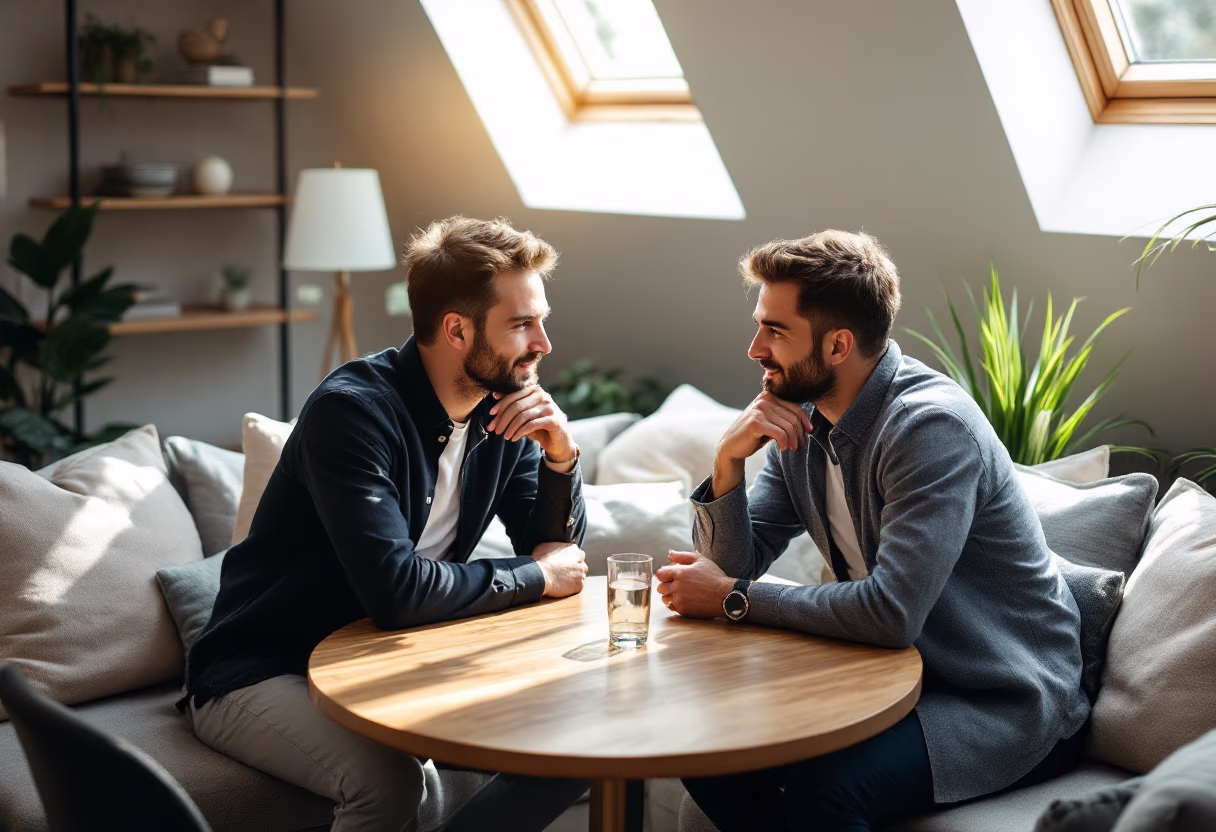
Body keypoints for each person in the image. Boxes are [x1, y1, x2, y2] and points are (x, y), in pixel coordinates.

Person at [656, 230, 1089, 832]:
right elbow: (739, 559)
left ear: (838, 345)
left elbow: (889, 614)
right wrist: (727, 463)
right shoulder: (800, 422)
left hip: (996, 696)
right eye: (760, 325)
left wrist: (733, 597)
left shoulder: (929, 430)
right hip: (888, 680)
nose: (755, 348)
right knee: (712, 756)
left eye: (775, 331)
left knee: (825, 790)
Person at [185, 216, 591, 832]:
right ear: (457, 328)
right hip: (264, 668)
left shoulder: (501, 409)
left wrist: (561, 456)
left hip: (385, 660)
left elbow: (559, 552)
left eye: (542, 319)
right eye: (521, 324)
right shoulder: (353, 413)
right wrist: (536, 573)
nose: (544, 342)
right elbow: (397, 592)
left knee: (574, 745)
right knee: (387, 786)